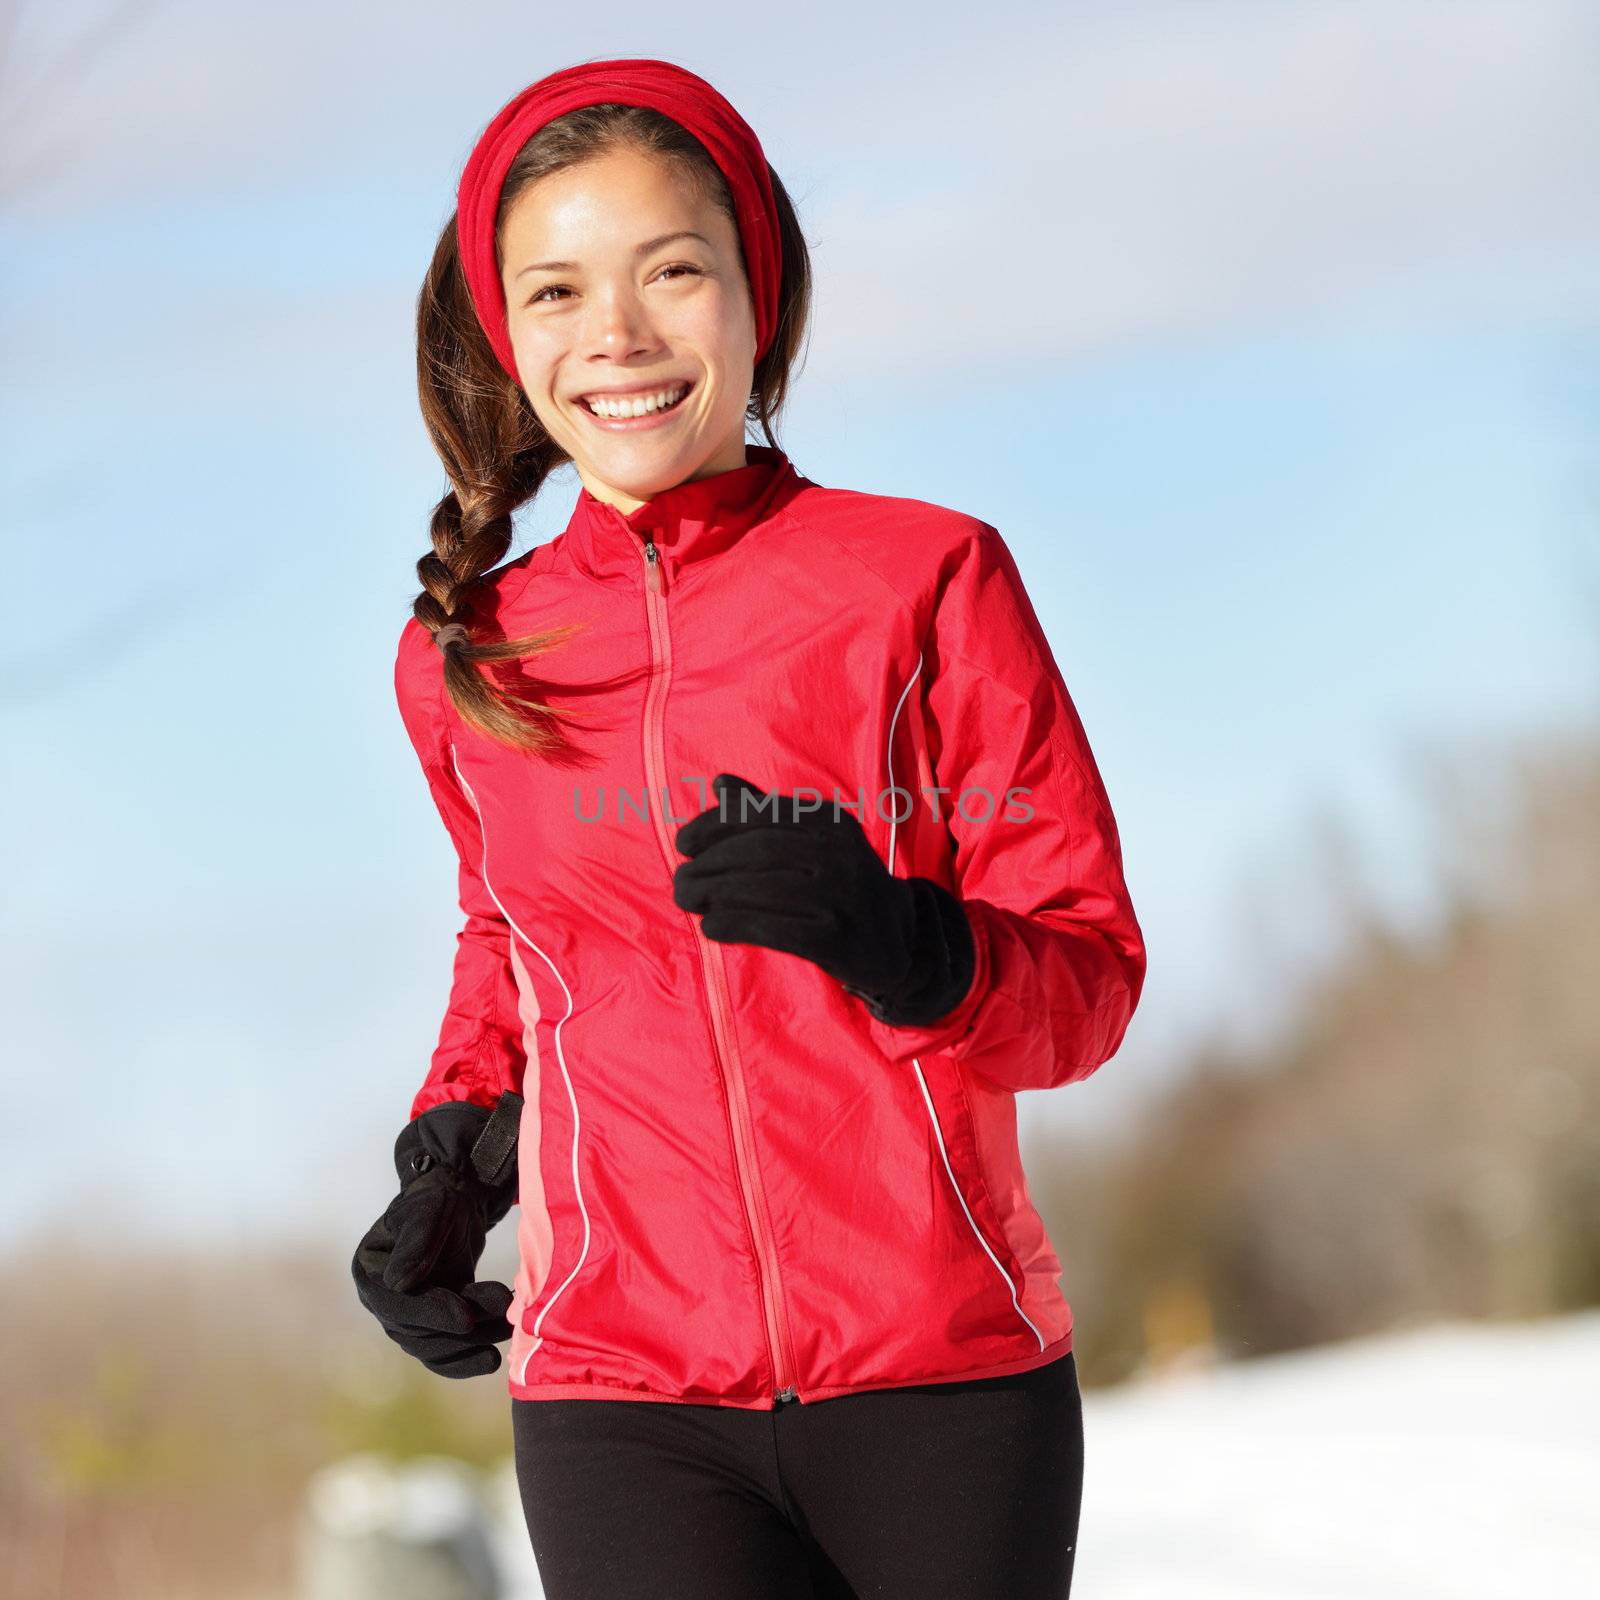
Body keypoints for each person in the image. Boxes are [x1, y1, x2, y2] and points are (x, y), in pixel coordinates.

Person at [352, 56, 1146, 1600]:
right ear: (503, 334)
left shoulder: (922, 582)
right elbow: (513, 949)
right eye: (560, 291)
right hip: (616, 1399)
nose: (620, 337)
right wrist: (451, 1161)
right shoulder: (469, 655)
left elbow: (1089, 983)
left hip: (938, 1378)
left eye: (673, 272)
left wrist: (908, 944)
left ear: (757, 296)